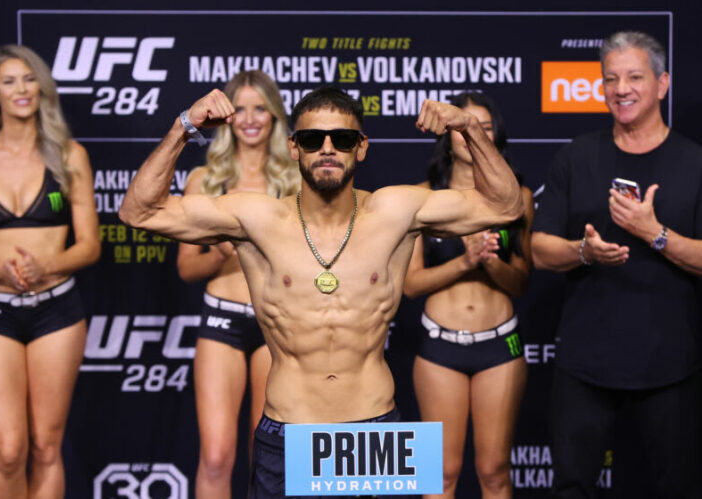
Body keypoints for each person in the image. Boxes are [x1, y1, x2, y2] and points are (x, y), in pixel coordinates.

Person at [119, 86, 523, 498]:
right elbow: (138, 212)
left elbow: (506, 206)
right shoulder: (257, 218)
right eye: (313, 139)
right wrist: (183, 127)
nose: (327, 149)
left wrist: (470, 127)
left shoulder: (397, 212)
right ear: (294, 148)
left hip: (374, 432)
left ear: (361, 148)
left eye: (342, 139)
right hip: (290, 429)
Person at [531, 31, 702, 498]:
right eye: (610, 79)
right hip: (585, 367)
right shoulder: (576, 156)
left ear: (662, 84)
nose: (620, 88)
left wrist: (656, 234)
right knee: (571, 487)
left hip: (671, 368)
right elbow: (539, 249)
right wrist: (584, 252)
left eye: (634, 77)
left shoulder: (694, 163)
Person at [0, 45, 99, 498]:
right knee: (9, 449)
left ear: (42, 88)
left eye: (29, 79)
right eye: (9, 81)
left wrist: (46, 264)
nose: (21, 90)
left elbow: (90, 245)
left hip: (57, 309)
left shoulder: (70, 155)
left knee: (45, 445)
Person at [175, 70, 300, 499]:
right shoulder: (204, 182)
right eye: (240, 108)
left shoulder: (295, 182)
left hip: (276, 326)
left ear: (274, 116)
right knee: (215, 456)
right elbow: (187, 269)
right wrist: (220, 253)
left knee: (265, 453)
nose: (249, 119)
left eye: (260, 108)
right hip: (221, 321)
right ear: (226, 116)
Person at [403, 92, 533, 499]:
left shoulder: (519, 199)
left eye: (485, 126)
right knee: (441, 473)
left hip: (500, 344)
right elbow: (410, 285)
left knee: (494, 470)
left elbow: (523, 282)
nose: (471, 132)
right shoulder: (422, 198)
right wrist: (464, 261)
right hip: (440, 345)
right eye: (463, 123)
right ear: (448, 133)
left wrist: (491, 263)